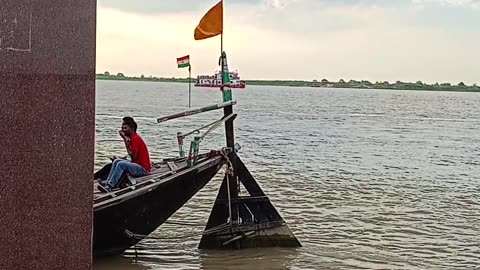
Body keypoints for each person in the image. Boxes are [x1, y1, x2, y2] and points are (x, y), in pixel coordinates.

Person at [99, 116, 151, 192]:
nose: (123, 130)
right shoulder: (133, 138)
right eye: (122, 128)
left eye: (125, 128)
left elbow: (133, 156)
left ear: (131, 128)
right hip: (136, 164)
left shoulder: (134, 139)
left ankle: (110, 186)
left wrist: (125, 140)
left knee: (121, 164)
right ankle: (107, 182)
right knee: (117, 161)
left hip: (143, 169)